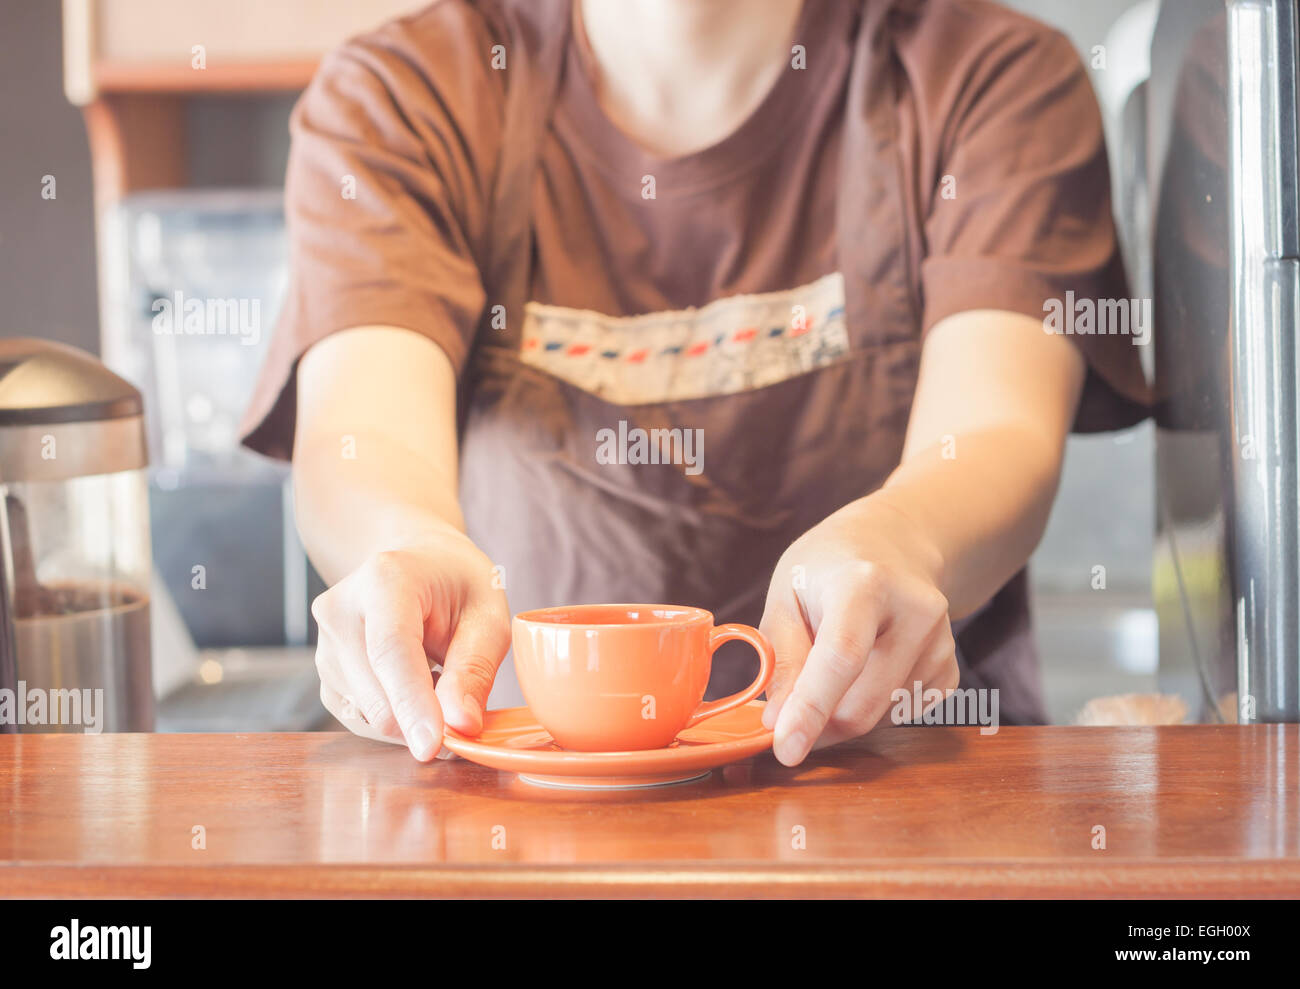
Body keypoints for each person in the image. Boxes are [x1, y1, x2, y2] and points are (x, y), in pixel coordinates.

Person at [241, 0, 1149, 766]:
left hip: (903, 798)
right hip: (528, 817)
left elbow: (998, 432)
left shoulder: (991, 78)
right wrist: (401, 546)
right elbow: (361, 436)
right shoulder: (409, 92)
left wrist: (907, 537)